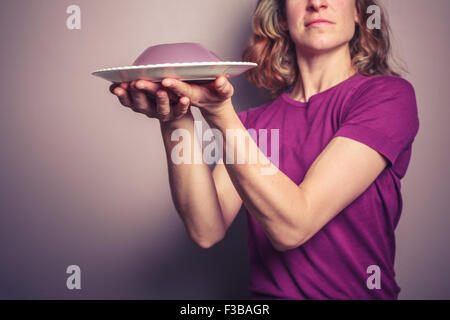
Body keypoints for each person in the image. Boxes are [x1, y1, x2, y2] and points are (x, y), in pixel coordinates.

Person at [109, 0, 420, 300]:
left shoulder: (388, 97)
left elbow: (293, 226)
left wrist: (220, 116)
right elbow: (206, 229)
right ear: (282, 17)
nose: (317, 3)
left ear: (358, 13)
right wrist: (176, 117)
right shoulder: (252, 125)